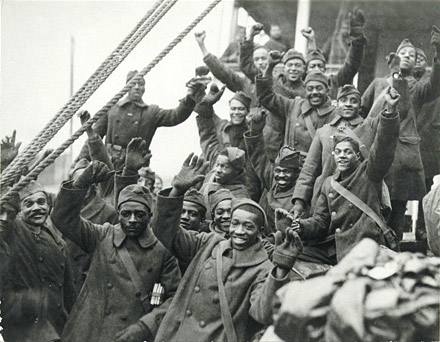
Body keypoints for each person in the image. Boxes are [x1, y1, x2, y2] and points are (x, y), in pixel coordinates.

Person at [153, 153, 303, 342]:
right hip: (176, 335)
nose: (239, 231)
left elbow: (262, 313)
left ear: (259, 230)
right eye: (235, 223)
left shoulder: (262, 267)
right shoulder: (208, 243)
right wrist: (176, 192)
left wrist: (281, 267)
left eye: (248, 226)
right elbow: (165, 234)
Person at [51, 139, 181, 342]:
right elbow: (62, 218)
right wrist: (82, 181)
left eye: (139, 214)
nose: (132, 220)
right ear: (118, 213)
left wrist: (146, 326)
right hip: (88, 331)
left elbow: (172, 297)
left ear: (149, 215)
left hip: (129, 335)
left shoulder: (161, 252)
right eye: (126, 214)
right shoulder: (102, 235)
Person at [293, 88, 401, 264]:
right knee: (289, 253)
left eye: (347, 152)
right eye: (338, 152)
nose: (342, 156)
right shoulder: (324, 135)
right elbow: (309, 170)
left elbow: (384, 148)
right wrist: (300, 217)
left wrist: (390, 110)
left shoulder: (369, 170)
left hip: (362, 232)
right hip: (334, 221)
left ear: (357, 156)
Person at [360, 28, 440, 240]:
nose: (407, 56)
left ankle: (392, 255)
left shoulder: (417, 88)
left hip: (400, 158)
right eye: (403, 53)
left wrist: (438, 53)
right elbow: (362, 111)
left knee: (396, 209)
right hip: (374, 151)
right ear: (395, 57)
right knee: (371, 205)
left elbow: (435, 84)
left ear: (416, 64)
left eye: (412, 55)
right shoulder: (378, 84)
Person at [77, 70, 206, 170]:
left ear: (145, 88)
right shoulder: (111, 109)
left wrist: (189, 98)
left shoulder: (151, 112)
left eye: (141, 84)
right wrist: (80, 162)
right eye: (134, 83)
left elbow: (175, 116)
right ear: (127, 86)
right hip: (110, 165)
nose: (137, 87)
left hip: (137, 169)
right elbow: (94, 137)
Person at [1, 180, 76, 342]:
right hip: (26, 327)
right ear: (19, 212)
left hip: (57, 324)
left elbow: (69, 291)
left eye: (41, 202)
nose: (36, 208)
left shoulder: (58, 242)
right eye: (28, 204)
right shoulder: (12, 231)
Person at [291, 85, 365, 217]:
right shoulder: (323, 132)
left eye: (353, 101)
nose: (348, 104)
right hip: (325, 199)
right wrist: (299, 202)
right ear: (336, 104)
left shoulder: (368, 128)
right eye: (343, 100)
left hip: (357, 198)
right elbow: (309, 169)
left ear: (360, 106)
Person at [257, 66, 337, 162]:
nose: (314, 92)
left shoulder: (335, 114)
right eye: (310, 89)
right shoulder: (293, 106)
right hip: (291, 167)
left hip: (317, 170)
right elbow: (267, 98)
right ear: (305, 91)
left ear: (327, 91)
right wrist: (270, 67)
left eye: (319, 88)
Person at [66, 157, 119, 293]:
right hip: (66, 278)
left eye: (85, 181)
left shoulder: (108, 212)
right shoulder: (64, 209)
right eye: (77, 181)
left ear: (93, 184)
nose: (82, 186)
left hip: (90, 282)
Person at [244, 110, 301, 233]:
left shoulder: (300, 194)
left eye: (287, 172)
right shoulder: (272, 180)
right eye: (278, 171)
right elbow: (257, 156)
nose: (281, 176)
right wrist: (255, 131)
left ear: (296, 174)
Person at [301, 7, 367, 99]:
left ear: (324, 69)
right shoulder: (300, 86)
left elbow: (352, 65)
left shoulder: (334, 82)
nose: (317, 69)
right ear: (306, 70)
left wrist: (357, 38)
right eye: (312, 66)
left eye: (320, 66)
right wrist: (311, 41)